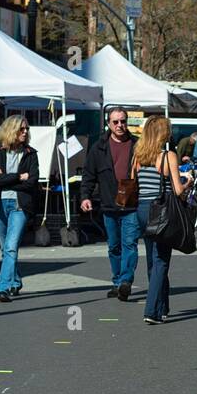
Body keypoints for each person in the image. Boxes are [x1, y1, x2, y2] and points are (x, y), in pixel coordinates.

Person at [79, 107, 140, 299]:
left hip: (131, 203)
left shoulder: (137, 145)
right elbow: (88, 175)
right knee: (114, 246)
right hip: (108, 203)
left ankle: (125, 281)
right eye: (116, 122)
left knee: (130, 243)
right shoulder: (99, 147)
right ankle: (117, 281)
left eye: (123, 121)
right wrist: (85, 196)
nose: (120, 125)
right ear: (109, 124)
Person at [133, 116, 187, 324]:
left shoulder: (138, 155)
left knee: (151, 258)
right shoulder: (168, 156)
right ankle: (151, 310)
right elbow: (178, 189)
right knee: (161, 260)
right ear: (164, 133)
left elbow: (136, 182)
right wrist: (187, 182)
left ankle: (162, 305)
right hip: (160, 209)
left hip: (141, 208)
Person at [0, 114, 39, 302]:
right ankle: (15, 281)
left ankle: (3, 287)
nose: (25, 132)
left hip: (19, 205)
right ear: (11, 130)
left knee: (10, 247)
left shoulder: (31, 154)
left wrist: (5, 179)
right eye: (21, 129)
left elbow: (32, 182)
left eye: (27, 129)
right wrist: (17, 177)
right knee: (5, 248)